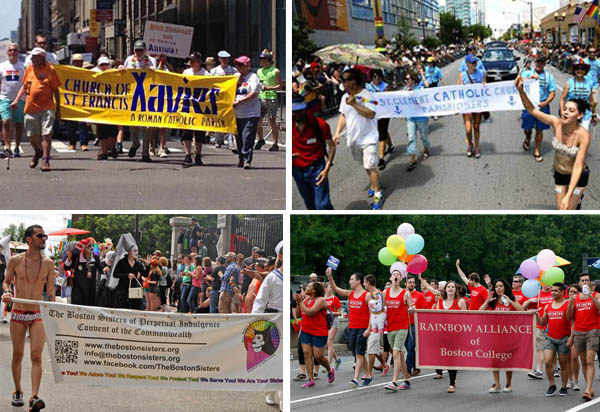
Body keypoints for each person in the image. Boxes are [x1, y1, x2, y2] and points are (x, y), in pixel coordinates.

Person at [515, 76, 591, 210]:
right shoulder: (556, 123)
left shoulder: (583, 135)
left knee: (569, 209)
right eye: (565, 109)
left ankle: (576, 200)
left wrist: (568, 195)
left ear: (579, 115)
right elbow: (532, 110)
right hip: (560, 174)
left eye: (571, 111)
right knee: (561, 209)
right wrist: (521, 91)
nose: (566, 113)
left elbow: (578, 166)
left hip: (577, 177)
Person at [2, 225, 55, 411]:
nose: (44, 238)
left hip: (38, 314)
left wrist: (54, 313)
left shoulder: (48, 263)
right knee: (18, 355)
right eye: (40, 235)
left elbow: (50, 293)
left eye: (45, 235)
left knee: (36, 355)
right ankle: (18, 391)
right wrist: (7, 292)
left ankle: (34, 396)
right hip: (18, 313)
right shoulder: (15, 261)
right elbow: (7, 282)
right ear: (29, 239)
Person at [333, 68, 383, 210]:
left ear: (356, 80)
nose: (345, 82)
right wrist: (337, 132)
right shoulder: (344, 98)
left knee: (370, 165)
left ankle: (378, 193)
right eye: (343, 79)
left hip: (369, 137)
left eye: (348, 79)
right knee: (366, 166)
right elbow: (343, 116)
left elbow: (371, 114)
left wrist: (355, 104)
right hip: (354, 139)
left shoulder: (367, 96)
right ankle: (374, 184)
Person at [11, 47, 60, 172]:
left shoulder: (50, 69)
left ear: (42, 57)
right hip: (31, 107)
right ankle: (38, 151)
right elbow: (24, 86)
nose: (33, 58)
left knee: (46, 134)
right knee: (31, 135)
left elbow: (56, 90)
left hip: (47, 107)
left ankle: (45, 160)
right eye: (32, 56)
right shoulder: (29, 70)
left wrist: (58, 108)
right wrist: (16, 100)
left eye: (36, 56)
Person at [326, 266, 371, 388]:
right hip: (352, 327)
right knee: (358, 352)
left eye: (352, 279)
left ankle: (355, 379)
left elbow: (373, 314)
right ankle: (368, 374)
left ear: (358, 281)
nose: (350, 281)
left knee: (359, 354)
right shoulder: (350, 293)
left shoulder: (367, 296)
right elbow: (335, 288)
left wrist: (369, 328)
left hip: (363, 328)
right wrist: (330, 276)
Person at [292, 94, 335, 210]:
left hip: (317, 167)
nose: (297, 114)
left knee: (322, 205)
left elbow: (331, 145)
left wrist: (326, 169)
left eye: (300, 110)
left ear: (305, 109)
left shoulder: (319, 124)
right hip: (297, 170)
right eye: (294, 111)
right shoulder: (289, 125)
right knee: (310, 204)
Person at [480, 279, 523, 393]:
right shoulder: (492, 301)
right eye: (497, 286)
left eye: (501, 286)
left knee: (507, 359)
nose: (498, 288)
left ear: (505, 288)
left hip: (508, 334)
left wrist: (510, 301)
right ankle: (497, 383)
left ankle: (508, 383)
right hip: (494, 334)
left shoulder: (512, 299)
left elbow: (521, 311)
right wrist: (487, 301)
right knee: (494, 359)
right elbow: (479, 311)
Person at [119, 40, 156, 162]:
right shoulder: (130, 60)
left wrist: (152, 70)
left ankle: (145, 153)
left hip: (147, 96)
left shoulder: (151, 61)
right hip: (133, 97)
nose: (139, 52)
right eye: (137, 50)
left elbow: (158, 75)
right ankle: (135, 144)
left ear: (145, 51)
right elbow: (123, 73)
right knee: (132, 125)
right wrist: (121, 69)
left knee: (146, 126)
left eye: (141, 50)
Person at [294, 281, 335, 388]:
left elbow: (311, 312)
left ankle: (330, 370)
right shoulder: (306, 299)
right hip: (306, 331)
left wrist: (301, 302)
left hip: (319, 332)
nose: (305, 288)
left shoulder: (321, 300)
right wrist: (299, 303)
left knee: (318, 356)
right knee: (307, 353)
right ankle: (310, 379)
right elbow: (299, 314)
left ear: (314, 290)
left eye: (308, 286)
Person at [566, 274, 600, 401]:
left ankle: (587, 389)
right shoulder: (575, 298)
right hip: (579, 332)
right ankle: (589, 387)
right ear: (579, 283)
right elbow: (570, 318)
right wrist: (570, 304)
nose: (584, 282)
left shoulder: (596, 295)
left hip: (593, 331)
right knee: (584, 361)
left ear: (590, 283)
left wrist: (590, 295)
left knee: (590, 361)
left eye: (587, 280)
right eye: (582, 281)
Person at [534, 282, 571, 397]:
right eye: (552, 290)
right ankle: (552, 385)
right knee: (548, 361)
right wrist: (536, 315)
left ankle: (564, 387)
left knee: (563, 365)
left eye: (555, 291)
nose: (553, 293)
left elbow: (572, 321)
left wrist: (572, 337)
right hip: (550, 337)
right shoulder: (548, 306)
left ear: (562, 292)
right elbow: (543, 322)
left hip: (564, 338)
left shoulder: (567, 304)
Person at [520, 56, 557, 162]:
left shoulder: (549, 77)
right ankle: (527, 137)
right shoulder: (527, 73)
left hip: (542, 106)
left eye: (541, 62)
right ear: (534, 63)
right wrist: (529, 78)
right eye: (537, 62)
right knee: (527, 128)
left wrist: (546, 102)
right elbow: (518, 84)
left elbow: (552, 92)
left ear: (544, 64)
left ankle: (537, 150)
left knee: (540, 129)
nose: (539, 64)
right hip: (529, 106)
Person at [433, 280, 466, 393]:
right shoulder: (440, 302)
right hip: (442, 335)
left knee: (451, 358)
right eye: (449, 287)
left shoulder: (461, 302)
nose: (451, 288)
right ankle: (453, 378)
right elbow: (435, 318)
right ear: (445, 289)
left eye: (453, 287)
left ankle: (452, 384)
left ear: (456, 289)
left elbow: (465, 319)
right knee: (445, 359)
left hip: (455, 335)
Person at [383, 269, 414, 392]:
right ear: (391, 278)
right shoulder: (385, 292)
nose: (396, 276)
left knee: (395, 353)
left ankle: (394, 382)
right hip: (390, 327)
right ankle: (406, 378)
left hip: (402, 327)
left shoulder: (406, 293)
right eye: (394, 274)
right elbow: (380, 307)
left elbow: (410, 307)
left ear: (401, 279)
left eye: (398, 275)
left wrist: (411, 309)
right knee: (400, 355)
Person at [232, 55, 261, 169]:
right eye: (237, 65)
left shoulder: (253, 77)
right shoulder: (235, 76)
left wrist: (240, 101)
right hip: (236, 113)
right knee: (238, 137)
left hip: (250, 112)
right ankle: (241, 157)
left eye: (240, 65)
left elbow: (254, 92)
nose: (238, 67)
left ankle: (247, 159)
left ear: (247, 66)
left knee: (247, 136)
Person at [181, 52, 208, 167]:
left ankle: (198, 154)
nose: (191, 63)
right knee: (187, 130)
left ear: (199, 62)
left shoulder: (205, 74)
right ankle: (187, 155)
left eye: (193, 61)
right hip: (188, 104)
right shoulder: (186, 72)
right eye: (190, 61)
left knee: (199, 131)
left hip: (200, 105)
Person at [523, 282, 553, 379]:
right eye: (546, 282)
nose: (548, 284)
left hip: (554, 325)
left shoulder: (554, 293)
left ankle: (555, 368)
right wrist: (531, 300)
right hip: (540, 325)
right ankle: (539, 370)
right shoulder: (537, 294)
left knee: (554, 349)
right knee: (540, 349)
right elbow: (523, 308)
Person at [91, 56, 119, 160]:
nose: (104, 67)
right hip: (99, 106)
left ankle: (112, 147)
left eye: (106, 64)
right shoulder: (93, 73)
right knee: (101, 130)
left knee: (112, 130)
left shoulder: (115, 73)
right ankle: (104, 151)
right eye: (102, 65)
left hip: (113, 106)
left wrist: (121, 67)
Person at [0, 43, 24, 159]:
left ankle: (17, 147)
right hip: (5, 98)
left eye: (15, 50)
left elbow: (26, 83)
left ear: (18, 52)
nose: (12, 52)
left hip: (20, 99)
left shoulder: (23, 66)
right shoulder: (2, 66)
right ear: (7, 52)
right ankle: (7, 148)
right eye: (10, 50)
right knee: (5, 122)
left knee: (19, 124)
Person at [458, 53, 485, 158]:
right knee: (468, 129)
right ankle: (470, 144)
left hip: (478, 105)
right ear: (467, 64)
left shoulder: (482, 73)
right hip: (467, 105)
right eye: (472, 62)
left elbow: (485, 89)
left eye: (475, 62)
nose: (474, 64)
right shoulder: (462, 75)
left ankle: (477, 146)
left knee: (476, 126)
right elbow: (458, 90)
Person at [366, 68, 393, 170]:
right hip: (373, 113)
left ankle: (381, 158)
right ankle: (390, 146)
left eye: (378, 76)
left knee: (381, 134)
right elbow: (365, 98)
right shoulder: (368, 87)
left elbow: (386, 99)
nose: (377, 78)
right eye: (374, 76)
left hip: (384, 113)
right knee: (383, 130)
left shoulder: (385, 86)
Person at [63, 238, 102, 306]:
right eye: (89, 246)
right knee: (78, 305)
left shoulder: (95, 257)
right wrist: (69, 258)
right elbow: (66, 268)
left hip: (91, 287)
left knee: (90, 306)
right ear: (84, 247)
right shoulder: (77, 257)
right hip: (78, 286)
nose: (92, 248)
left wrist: (106, 269)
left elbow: (101, 268)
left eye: (93, 246)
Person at [559, 58, 596, 131]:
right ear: (574, 70)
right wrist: (562, 111)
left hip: (585, 114)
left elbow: (591, 100)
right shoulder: (569, 83)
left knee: (583, 135)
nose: (580, 71)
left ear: (585, 71)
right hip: (571, 114)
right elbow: (563, 99)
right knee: (570, 136)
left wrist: (594, 114)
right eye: (577, 68)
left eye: (582, 69)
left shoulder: (589, 83)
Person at [255, 49, 281, 151]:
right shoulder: (259, 71)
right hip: (260, 97)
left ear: (268, 60)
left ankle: (275, 143)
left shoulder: (275, 71)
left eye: (262, 59)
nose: (261, 61)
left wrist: (269, 88)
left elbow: (280, 85)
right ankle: (261, 139)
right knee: (258, 120)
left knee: (272, 120)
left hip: (271, 98)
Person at [404, 70, 430, 171]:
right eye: (405, 79)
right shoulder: (404, 91)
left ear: (414, 80)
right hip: (410, 117)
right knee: (411, 137)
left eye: (408, 79)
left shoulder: (420, 89)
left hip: (421, 117)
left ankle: (426, 148)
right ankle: (412, 158)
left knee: (424, 136)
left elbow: (425, 100)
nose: (406, 81)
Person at [111, 245, 143, 309]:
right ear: (129, 252)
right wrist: (127, 275)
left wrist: (147, 265)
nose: (137, 253)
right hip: (122, 290)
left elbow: (145, 274)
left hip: (134, 290)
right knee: (122, 309)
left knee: (135, 308)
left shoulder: (138, 263)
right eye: (135, 251)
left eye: (137, 251)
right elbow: (115, 274)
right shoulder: (122, 262)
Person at [404, 275, 425, 377]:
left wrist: (415, 309)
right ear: (405, 284)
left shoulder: (419, 295)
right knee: (408, 348)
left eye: (413, 282)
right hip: (403, 324)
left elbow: (424, 310)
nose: (412, 284)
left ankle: (407, 369)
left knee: (411, 346)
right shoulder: (403, 294)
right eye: (410, 282)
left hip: (414, 324)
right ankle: (417, 367)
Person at [324, 282, 342, 369]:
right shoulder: (322, 299)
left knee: (329, 341)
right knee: (328, 344)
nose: (331, 289)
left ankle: (328, 365)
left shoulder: (335, 299)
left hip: (334, 321)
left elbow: (340, 312)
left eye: (332, 287)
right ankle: (337, 359)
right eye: (329, 287)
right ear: (325, 288)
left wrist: (331, 313)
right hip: (325, 322)